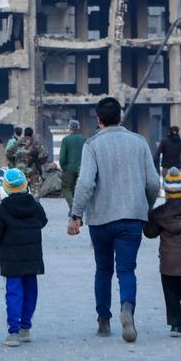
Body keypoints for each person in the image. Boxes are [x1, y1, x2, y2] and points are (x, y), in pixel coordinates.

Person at [68, 97, 159, 343]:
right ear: (121, 116)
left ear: (98, 120)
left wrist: (76, 215)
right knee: (127, 270)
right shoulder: (139, 143)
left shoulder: (93, 144)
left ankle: (104, 321)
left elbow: (86, 183)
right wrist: (146, 207)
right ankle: (127, 309)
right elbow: (153, 183)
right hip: (132, 218)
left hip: (101, 220)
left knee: (104, 270)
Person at [0, 169, 48, 347]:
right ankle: (25, 327)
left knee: (13, 293)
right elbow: (43, 221)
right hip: (32, 257)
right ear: (24, 185)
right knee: (30, 291)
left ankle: (13, 332)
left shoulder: (2, 209)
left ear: (6, 188)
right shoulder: (35, 206)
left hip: (11, 260)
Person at [143, 167, 181, 337]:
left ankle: (175, 325)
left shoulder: (159, 213)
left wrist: (148, 215)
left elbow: (149, 233)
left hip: (168, 263)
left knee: (171, 292)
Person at [59, 119, 86, 213]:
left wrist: (63, 167)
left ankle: (72, 207)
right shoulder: (84, 139)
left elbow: (62, 156)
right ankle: (77, 209)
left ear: (69, 127)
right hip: (81, 168)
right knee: (77, 189)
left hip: (69, 168)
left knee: (66, 188)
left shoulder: (66, 139)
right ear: (78, 128)